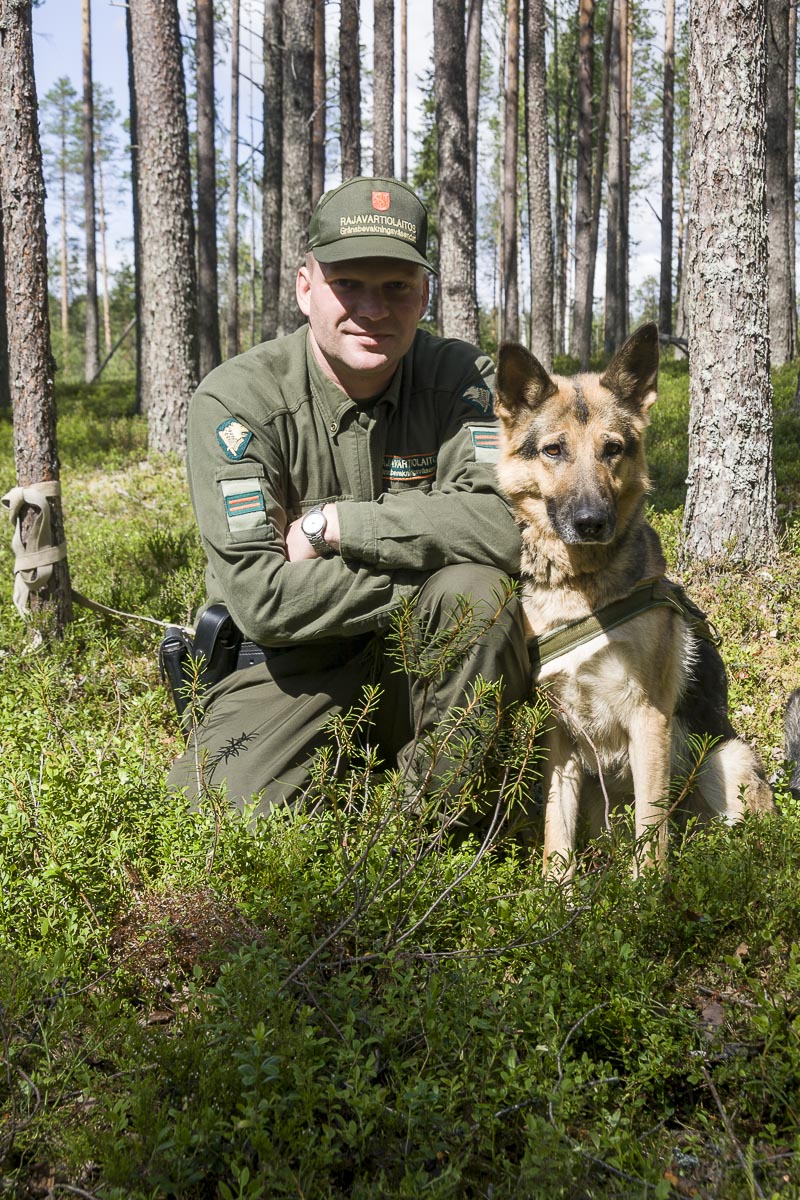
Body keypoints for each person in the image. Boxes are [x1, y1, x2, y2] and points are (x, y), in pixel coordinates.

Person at [167, 175, 530, 815]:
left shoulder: (461, 380)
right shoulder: (238, 402)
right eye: (349, 285)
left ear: (424, 295)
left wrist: (341, 525)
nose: (374, 309)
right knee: (212, 821)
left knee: (475, 593)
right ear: (306, 287)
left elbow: (508, 527)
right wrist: (431, 558)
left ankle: (425, 836)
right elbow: (265, 600)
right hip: (290, 669)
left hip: (425, 661)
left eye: (396, 288)